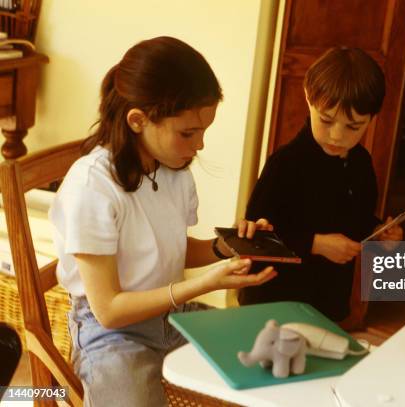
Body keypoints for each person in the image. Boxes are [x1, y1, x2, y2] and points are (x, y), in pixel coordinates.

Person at [49, 36, 277, 406]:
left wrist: (228, 246)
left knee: (268, 359)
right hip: (111, 333)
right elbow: (108, 310)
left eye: (204, 130)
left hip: (171, 315)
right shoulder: (92, 186)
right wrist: (202, 285)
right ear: (138, 120)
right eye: (188, 132)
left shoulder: (173, 171)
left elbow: (170, 247)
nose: (199, 145)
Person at [239, 47, 403, 322]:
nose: (337, 136)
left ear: (372, 118)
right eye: (326, 120)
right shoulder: (286, 163)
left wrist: (378, 231)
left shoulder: (361, 162)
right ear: (308, 97)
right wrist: (314, 244)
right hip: (273, 300)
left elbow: (357, 218)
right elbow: (255, 235)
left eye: (353, 126)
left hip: (327, 300)